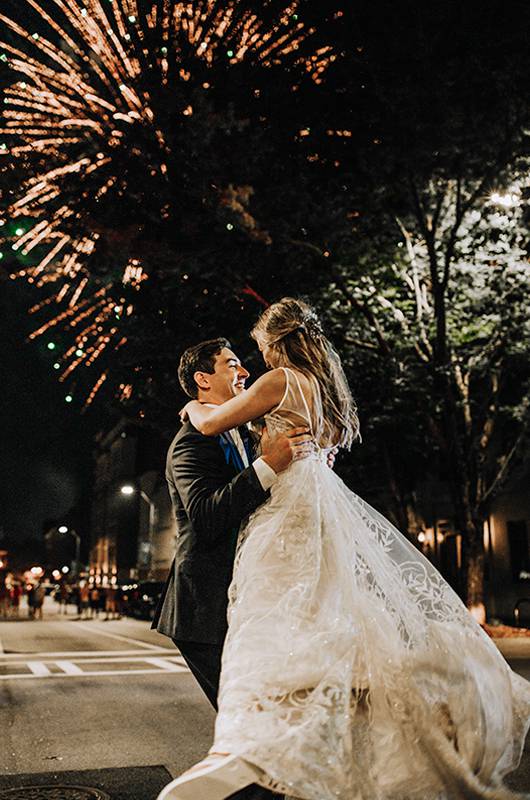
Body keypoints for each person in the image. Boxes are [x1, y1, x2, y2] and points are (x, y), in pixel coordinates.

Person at [157, 298, 530, 800]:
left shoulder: (278, 383)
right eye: (231, 364)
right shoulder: (320, 394)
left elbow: (213, 425)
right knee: (304, 640)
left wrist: (199, 410)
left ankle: (270, 763)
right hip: (281, 539)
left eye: (255, 349)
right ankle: (287, 762)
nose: (248, 363)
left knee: (269, 650)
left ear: (276, 341)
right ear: (204, 378)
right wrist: (256, 452)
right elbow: (209, 506)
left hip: (284, 523)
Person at [152, 336, 312, 800]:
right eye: (233, 365)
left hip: (246, 601)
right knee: (249, 730)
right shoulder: (188, 445)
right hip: (205, 608)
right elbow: (205, 516)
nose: (244, 372)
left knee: (261, 727)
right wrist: (268, 465)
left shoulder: (238, 429)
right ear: (204, 379)